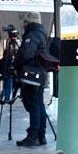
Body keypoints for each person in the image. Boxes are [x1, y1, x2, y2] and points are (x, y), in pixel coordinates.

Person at [13, 11, 50, 146]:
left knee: (34, 105)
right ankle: (41, 135)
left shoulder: (32, 34)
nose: (23, 24)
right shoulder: (41, 33)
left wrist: (16, 64)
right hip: (39, 74)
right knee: (39, 104)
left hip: (31, 74)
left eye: (25, 22)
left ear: (29, 22)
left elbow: (26, 53)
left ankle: (34, 135)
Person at [0, 24, 19, 104]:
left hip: (11, 68)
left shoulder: (15, 43)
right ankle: (5, 97)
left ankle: (8, 97)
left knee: (9, 81)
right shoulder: (9, 42)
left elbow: (15, 54)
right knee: (7, 80)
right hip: (7, 67)